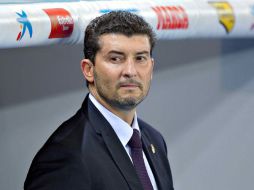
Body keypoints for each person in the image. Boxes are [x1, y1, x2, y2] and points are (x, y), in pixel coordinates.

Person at [24, 11, 174, 190]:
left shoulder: (154, 140)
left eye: (140, 58)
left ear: (151, 67)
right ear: (88, 69)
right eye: (115, 58)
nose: (130, 71)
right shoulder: (65, 156)